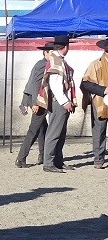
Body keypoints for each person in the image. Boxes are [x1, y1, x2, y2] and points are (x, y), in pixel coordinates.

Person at [38, 36, 76, 173]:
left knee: (60, 132)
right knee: (55, 132)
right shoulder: (57, 61)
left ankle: (57, 161)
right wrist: (65, 101)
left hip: (59, 101)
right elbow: (55, 85)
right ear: (66, 47)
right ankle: (49, 162)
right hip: (59, 101)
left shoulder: (56, 60)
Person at [15, 43, 54, 168]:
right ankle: (21, 159)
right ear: (45, 53)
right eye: (51, 52)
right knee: (33, 131)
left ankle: (42, 155)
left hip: (40, 101)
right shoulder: (42, 65)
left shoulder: (41, 64)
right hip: (40, 102)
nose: (53, 54)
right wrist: (34, 103)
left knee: (43, 129)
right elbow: (35, 84)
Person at [80, 39, 108, 169]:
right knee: (99, 131)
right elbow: (86, 83)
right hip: (100, 102)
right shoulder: (95, 65)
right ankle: (99, 159)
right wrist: (103, 90)